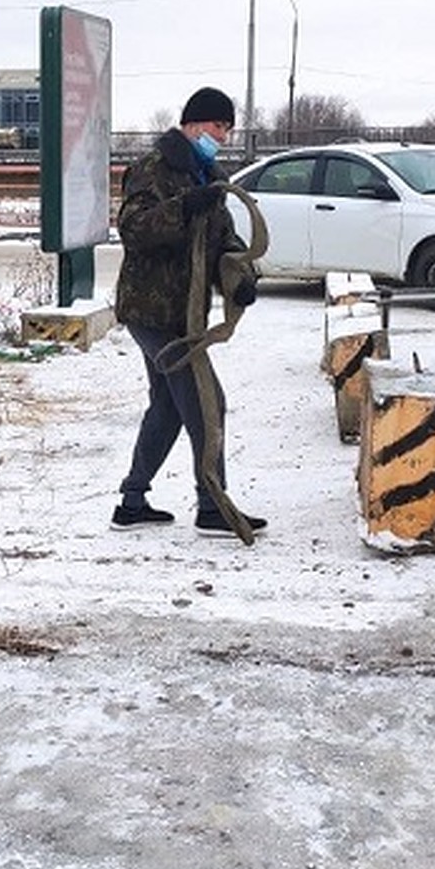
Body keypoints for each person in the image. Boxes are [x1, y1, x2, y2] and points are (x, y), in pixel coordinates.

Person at [111, 86, 267, 538]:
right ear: (194, 123)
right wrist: (182, 209)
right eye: (218, 126)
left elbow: (226, 243)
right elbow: (134, 229)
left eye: (227, 128)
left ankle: (132, 501)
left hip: (184, 313)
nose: (223, 135)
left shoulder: (208, 175)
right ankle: (212, 506)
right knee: (205, 400)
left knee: (167, 404)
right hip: (151, 310)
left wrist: (240, 281)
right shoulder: (152, 169)